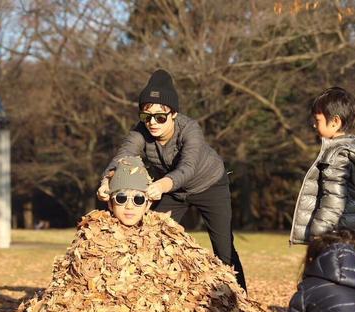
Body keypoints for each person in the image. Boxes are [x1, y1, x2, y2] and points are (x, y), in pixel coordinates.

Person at [97, 69, 246, 290]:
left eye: (160, 117)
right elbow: (123, 157)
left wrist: (161, 185)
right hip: (173, 191)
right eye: (146, 117)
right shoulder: (140, 133)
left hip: (209, 185)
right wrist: (106, 181)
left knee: (223, 248)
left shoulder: (190, 129)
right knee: (152, 235)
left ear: (173, 114)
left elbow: (188, 168)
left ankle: (239, 299)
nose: (152, 123)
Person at [289, 87, 355, 252]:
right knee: (348, 274)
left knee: (329, 275)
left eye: (317, 120)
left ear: (335, 122)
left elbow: (333, 201)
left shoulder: (337, 156)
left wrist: (318, 235)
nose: (313, 124)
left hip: (336, 236)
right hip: (354, 233)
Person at [106, 156, 153, 226]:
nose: (129, 206)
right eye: (121, 198)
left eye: (138, 199)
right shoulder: (92, 235)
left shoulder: (164, 235)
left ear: (148, 204)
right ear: (110, 203)